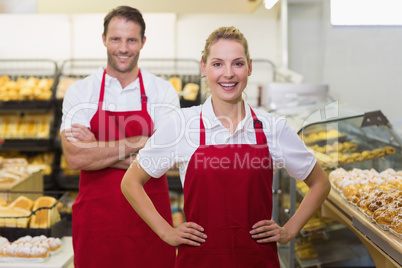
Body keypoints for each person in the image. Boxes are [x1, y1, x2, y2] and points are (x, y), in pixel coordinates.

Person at [121, 26, 331, 267]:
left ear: (250, 67)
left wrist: (289, 231)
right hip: (199, 260)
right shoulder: (182, 124)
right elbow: (131, 182)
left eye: (238, 64)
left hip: (258, 260)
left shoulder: (274, 127)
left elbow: (320, 183)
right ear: (204, 68)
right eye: (218, 64)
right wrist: (166, 232)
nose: (228, 74)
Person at [60, 6, 179, 268]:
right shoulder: (81, 91)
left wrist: (96, 149)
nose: (123, 48)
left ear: (143, 42)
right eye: (116, 39)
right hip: (97, 225)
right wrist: (140, 142)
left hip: (150, 222)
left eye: (131, 40)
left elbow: (169, 158)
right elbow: (76, 156)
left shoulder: (163, 91)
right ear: (103, 39)